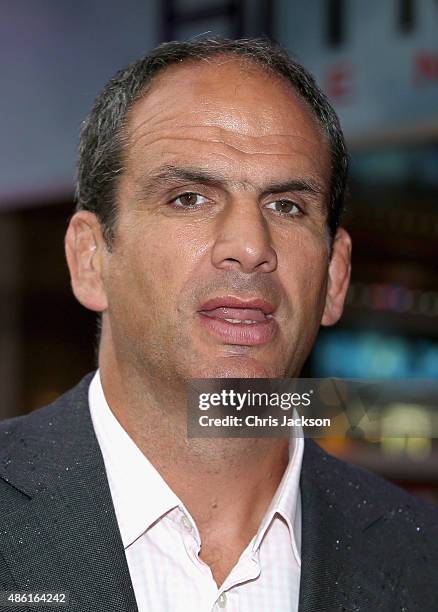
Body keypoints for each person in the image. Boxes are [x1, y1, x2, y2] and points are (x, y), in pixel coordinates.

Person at [0, 38, 436, 612]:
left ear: (335, 276)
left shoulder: (420, 560)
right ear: (90, 259)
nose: (250, 247)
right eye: (189, 198)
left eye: (287, 206)